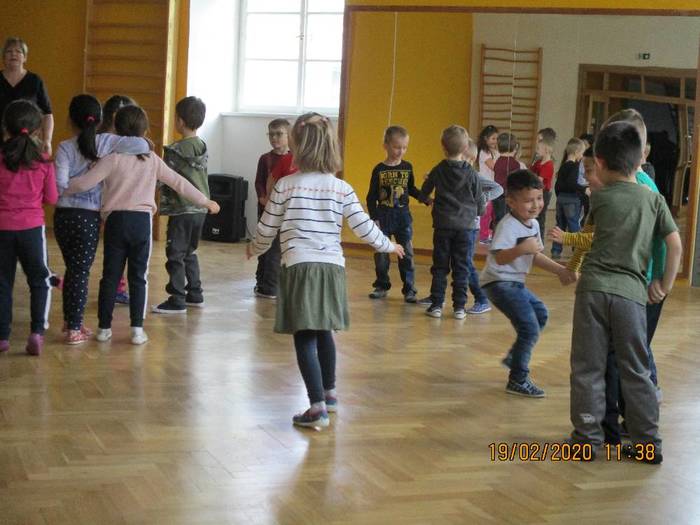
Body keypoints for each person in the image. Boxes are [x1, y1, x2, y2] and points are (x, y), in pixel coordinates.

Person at [247, 112, 404, 428]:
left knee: (305, 335)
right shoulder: (341, 188)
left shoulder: (285, 186)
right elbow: (363, 226)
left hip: (300, 267)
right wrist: (388, 245)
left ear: (296, 147)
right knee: (324, 332)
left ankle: (316, 407)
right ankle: (329, 396)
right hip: (332, 270)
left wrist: (255, 247)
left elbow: (267, 227)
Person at [568, 121, 681, 464]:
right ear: (640, 159)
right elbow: (675, 244)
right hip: (632, 295)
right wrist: (664, 285)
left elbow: (586, 240)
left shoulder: (600, 198)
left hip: (592, 291)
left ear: (600, 162)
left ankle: (587, 440)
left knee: (587, 367)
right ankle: (648, 444)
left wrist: (569, 266)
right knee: (636, 369)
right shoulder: (654, 199)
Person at [64, 105, 220, 345]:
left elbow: (84, 183)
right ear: (144, 130)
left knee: (110, 276)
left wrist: (60, 186)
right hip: (141, 223)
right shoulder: (152, 160)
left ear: (116, 129)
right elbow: (179, 182)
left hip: (116, 222)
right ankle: (137, 330)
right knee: (139, 277)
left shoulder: (111, 158)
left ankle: (104, 329)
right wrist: (205, 201)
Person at [54, 94, 149, 344]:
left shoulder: (64, 146)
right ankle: (74, 327)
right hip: (88, 217)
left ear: (69, 120)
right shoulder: (107, 142)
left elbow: (60, 184)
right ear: (100, 120)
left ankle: (70, 320)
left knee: (73, 270)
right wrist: (92, 177)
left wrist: (74, 185)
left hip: (62, 216)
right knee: (79, 272)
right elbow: (141, 145)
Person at [480, 169, 569, 398]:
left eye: (539, 198)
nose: (536, 205)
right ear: (511, 202)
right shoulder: (508, 225)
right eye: (529, 200)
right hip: (499, 282)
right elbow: (500, 258)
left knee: (540, 314)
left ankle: (515, 357)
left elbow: (534, 255)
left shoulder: (534, 224)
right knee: (529, 328)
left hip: (515, 283)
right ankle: (518, 379)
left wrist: (560, 270)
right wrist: (521, 248)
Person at [0, 100, 57, 356]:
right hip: (32, 229)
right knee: (39, 280)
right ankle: (36, 332)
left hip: (2, 229)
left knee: (2, 282)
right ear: (36, 131)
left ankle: (2, 337)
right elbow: (52, 198)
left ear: (5, 128)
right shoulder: (43, 162)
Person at [151, 96, 211, 314]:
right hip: (201, 208)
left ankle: (177, 299)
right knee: (190, 251)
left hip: (182, 208)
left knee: (175, 253)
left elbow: (163, 177)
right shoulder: (202, 146)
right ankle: (195, 293)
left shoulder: (175, 150)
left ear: (180, 121)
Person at [419, 125, 483, 319]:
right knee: (461, 267)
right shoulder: (472, 173)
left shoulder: (438, 169)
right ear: (465, 148)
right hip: (466, 228)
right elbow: (479, 200)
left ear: (443, 147)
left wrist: (428, 200)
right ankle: (459, 308)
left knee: (440, 266)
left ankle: (437, 305)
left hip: (443, 226)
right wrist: (476, 213)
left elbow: (423, 193)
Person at [366, 125, 428, 302]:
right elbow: (371, 197)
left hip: (403, 218)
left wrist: (426, 199)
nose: (401, 151)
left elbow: (411, 189)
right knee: (381, 254)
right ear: (385, 146)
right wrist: (374, 218)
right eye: (396, 147)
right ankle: (381, 285)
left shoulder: (407, 167)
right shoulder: (379, 169)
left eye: (404, 147)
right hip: (383, 217)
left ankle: (409, 289)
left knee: (406, 254)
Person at [99, 94, 137, 305]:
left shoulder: (134, 143)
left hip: (121, 200)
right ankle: (113, 286)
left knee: (119, 249)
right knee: (113, 250)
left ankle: (117, 287)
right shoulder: (102, 139)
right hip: (104, 200)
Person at [253, 118, 292, 300]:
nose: (274, 138)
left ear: (288, 135)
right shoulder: (265, 158)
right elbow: (259, 182)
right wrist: (262, 198)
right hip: (266, 209)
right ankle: (261, 282)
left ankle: (270, 286)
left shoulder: (293, 159)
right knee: (263, 246)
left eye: (279, 134)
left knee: (275, 249)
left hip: (285, 211)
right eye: (271, 134)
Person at [0, 38, 53, 154]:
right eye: (9, 51)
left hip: (29, 141)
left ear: (25, 58)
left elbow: (47, 114)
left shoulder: (35, 80)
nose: (13, 54)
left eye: (18, 51)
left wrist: (47, 140)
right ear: (3, 57)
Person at [550, 138, 586, 259]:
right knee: (573, 224)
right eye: (582, 153)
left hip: (560, 199)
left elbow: (558, 185)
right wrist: (584, 190)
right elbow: (572, 183)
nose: (582, 156)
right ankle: (577, 250)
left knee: (560, 225)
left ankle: (556, 250)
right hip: (572, 200)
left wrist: (559, 197)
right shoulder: (575, 166)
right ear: (576, 152)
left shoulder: (563, 166)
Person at [492, 133, 524, 227]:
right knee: (507, 221)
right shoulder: (515, 164)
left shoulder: (498, 161)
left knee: (498, 220)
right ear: (514, 147)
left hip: (497, 195)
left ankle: (497, 234)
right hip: (508, 197)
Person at [475, 125, 499, 243]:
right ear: (485, 138)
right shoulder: (484, 152)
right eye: (493, 138)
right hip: (486, 185)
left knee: (491, 211)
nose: (495, 141)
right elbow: (495, 167)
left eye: (496, 138)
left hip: (491, 185)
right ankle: (483, 236)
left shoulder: (492, 152)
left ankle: (486, 232)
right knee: (486, 211)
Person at [530, 139, 555, 241]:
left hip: (544, 193)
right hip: (537, 192)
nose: (536, 150)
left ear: (546, 150)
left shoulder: (549, 165)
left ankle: (540, 241)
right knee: (534, 216)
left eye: (538, 148)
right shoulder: (538, 162)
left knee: (540, 218)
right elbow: (530, 172)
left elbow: (539, 180)